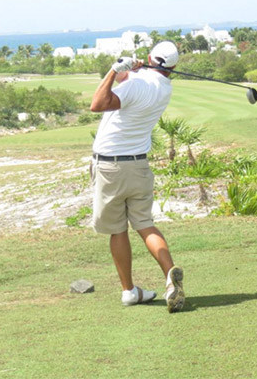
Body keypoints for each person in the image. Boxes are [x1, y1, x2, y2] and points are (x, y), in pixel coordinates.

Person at [89, 41, 185, 313]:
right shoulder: (164, 88)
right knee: (145, 224)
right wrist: (129, 70)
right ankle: (169, 278)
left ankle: (129, 291)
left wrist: (112, 70)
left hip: (110, 168)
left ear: (149, 57)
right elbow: (130, 83)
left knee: (117, 229)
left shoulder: (135, 84)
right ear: (173, 67)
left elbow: (97, 103)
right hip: (139, 166)